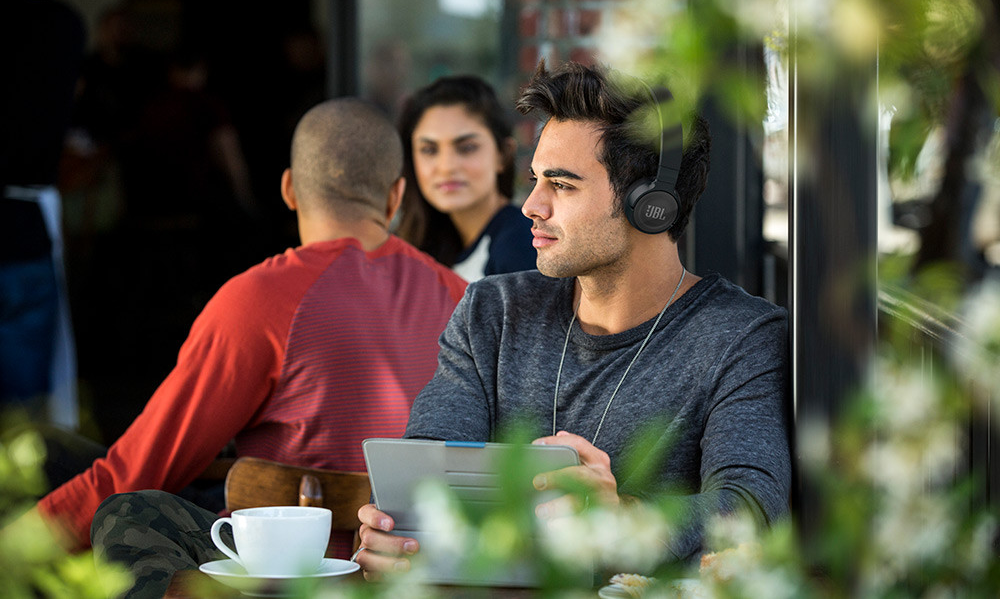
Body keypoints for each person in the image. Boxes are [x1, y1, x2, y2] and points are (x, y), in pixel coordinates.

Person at [355, 61, 791, 573]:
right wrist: (401, 534)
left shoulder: (741, 336)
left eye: (561, 185)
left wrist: (620, 517)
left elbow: (750, 506)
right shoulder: (491, 312)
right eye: (536, 180)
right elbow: (427, 469)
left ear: (651, 204)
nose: (531, 206)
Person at [28, 98, 467, 565]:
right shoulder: (465, 297)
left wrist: (15, 552)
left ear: (289, 190)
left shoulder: (262, 299)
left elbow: (139, 471)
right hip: (421, 571)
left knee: (54, 466)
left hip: (285, 572)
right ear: (396, 197)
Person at [0, 0, 86, 426]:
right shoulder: (56, 24)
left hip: (24, 227)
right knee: (25, 423)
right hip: (23, 228)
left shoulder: (54, 22)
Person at [395, 76, 535, 281]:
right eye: (429, 150)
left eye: (467, 148)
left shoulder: (520, 245)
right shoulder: (428, 245)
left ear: (503, 155)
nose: (446, 166)